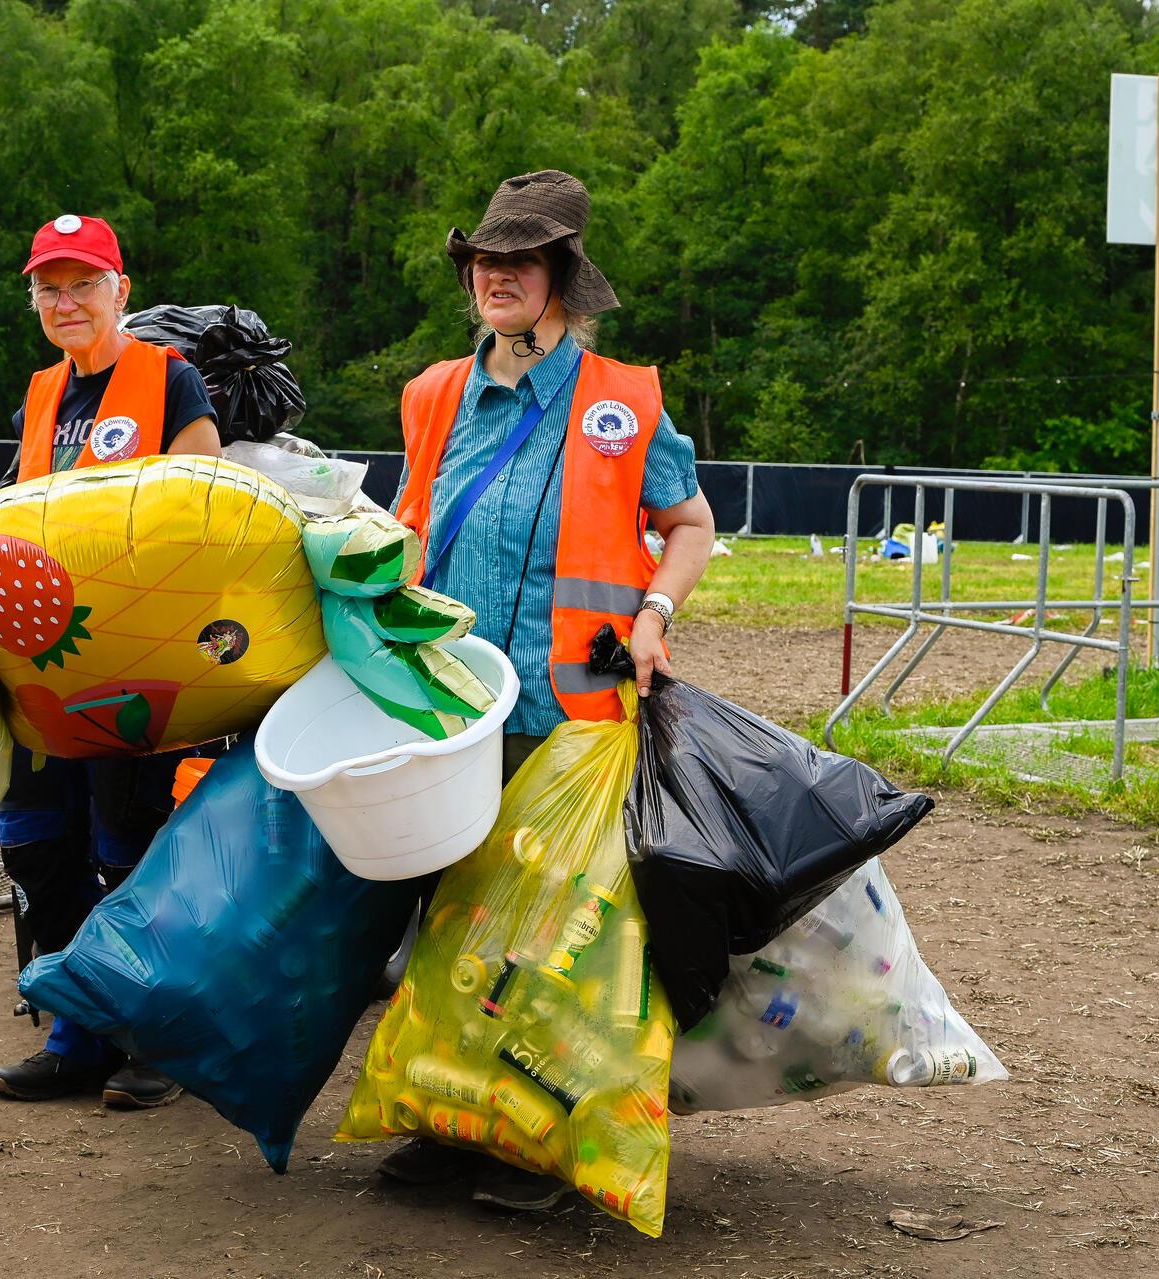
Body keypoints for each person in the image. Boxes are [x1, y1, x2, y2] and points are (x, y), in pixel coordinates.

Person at [382, 170, 716, 1211]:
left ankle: (550, 1139)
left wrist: (655, 616)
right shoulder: (435, 392)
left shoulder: (622, 399)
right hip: (450, 703)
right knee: (456, 919)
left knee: (557, 934)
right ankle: (456, 1121)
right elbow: (407, 530)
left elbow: (691, 525)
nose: (496, 275)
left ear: (562, 278)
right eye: (485, 258)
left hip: (577, 708)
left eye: (520, 260)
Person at [0, 213, 221, 1106]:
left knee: (131, 847)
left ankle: (150, 1038)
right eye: (49, 286)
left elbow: (211, 512)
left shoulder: (172, 382)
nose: (65, 301)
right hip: (48, 667)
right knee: (39, 842)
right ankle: (75, 1028)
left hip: (138, 663)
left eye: (84, 282)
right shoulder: (42, 395)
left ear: (122, 290)